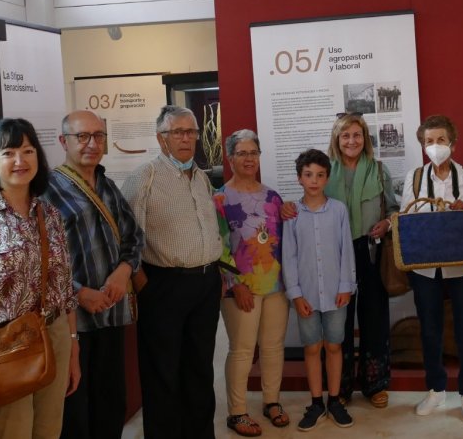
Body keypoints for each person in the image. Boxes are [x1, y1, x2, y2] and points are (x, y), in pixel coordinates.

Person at [0, 118, 80, 439]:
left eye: (28, 150)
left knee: (49, 432)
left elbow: (64, 290)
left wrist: (73, 350)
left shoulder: (48, 213)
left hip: (54, 337)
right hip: (4, 345)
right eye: (8, 153)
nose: (20, 161)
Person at [120, 105, 222, 439]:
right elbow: (126, 234)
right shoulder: (144, 177)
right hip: (164, 286)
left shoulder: (202, 176)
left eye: (190, 131)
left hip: (205, 283)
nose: (186, 138)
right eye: (177, 132)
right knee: (162, 371)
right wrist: (140, 282)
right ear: (161, 138)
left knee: (199, 369)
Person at [43, 110, 143, 439]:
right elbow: (41, 260)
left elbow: (133, 237)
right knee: (75, 408)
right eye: (82, 137)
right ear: (63, 142)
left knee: (111, 401)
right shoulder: (47, 192)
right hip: (73, 322)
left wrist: (123, 272)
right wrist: (78, 292)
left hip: (111, 315)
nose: (92, 144)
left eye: (98, 136)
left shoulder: (108, 185)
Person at [399, 115, 463, 424]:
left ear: (453, 143)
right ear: (423, 146)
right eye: (429, 142)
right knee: (430, 328)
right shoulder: (413, 178)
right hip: (425, 268)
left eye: (440, 140)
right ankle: (436, 388)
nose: (435, 147)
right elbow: (406, 218)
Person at [215, 129, 290, 436]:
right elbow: (217, 245)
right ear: (230, 157)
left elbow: (282, 241)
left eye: (253, 153)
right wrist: (235, 284)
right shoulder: (219, 198)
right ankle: (237, 412)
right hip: (241, 287)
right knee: (243, 350)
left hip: (275, 286)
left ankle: (272, 402)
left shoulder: (273, 196)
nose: (249, 159)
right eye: (242, 153)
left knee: (273, 347)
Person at [322, 112, 397, 406]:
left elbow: (393, 208)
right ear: (337, 140)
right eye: (345, 136)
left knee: (374, 317)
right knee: (339, 321)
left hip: (372, 252)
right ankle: (340, 388)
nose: (351, 141)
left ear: (364, 139)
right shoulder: (325, 171)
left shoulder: (379, 170)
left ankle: (375, 384)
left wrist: (388, 223)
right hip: (335, 255)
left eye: (356, 135)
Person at [283, 148, 357, 431]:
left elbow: (345, 250)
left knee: (334, 345)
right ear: (300, 178)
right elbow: (288, 256)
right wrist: (296, 294)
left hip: (337, 293)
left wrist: (346, 286)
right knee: (312, 347)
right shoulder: (292, 215)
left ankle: (335, 400)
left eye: (320, 175)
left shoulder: (338, 210)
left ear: (327, 178)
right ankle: (316, 402)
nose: (314, 180)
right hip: (307, 296)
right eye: (308, 175)